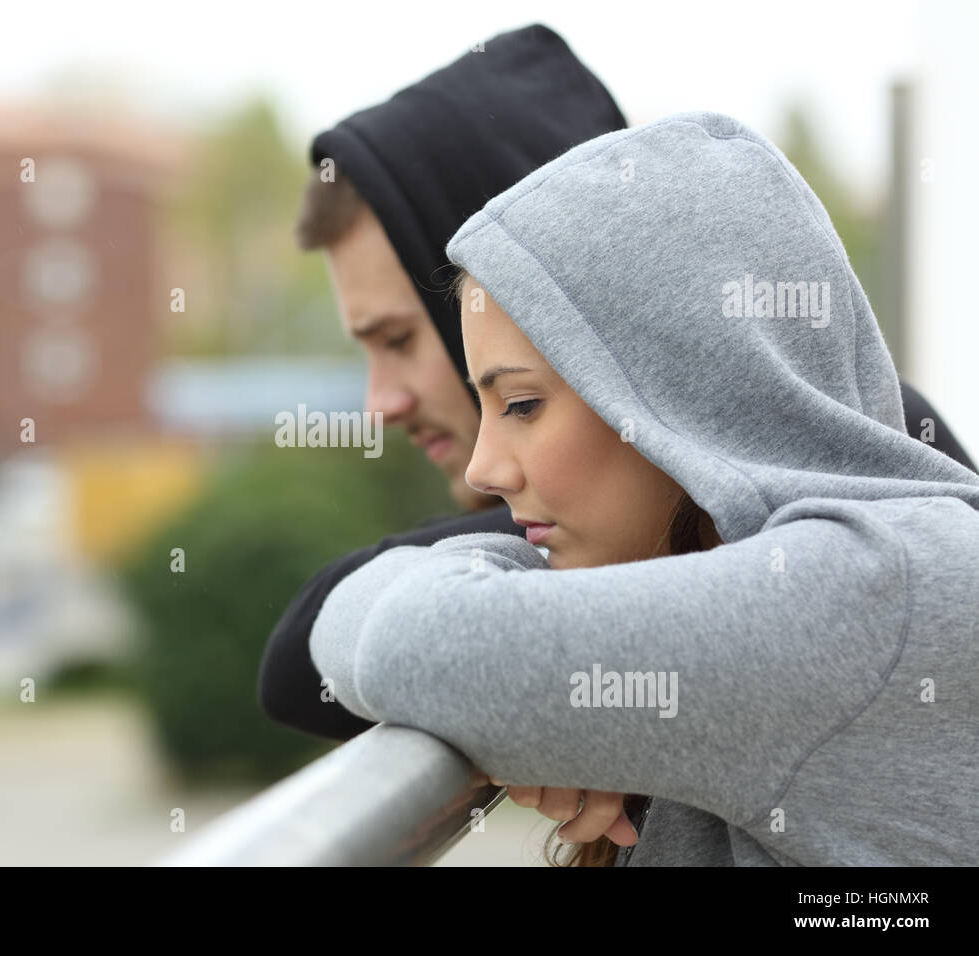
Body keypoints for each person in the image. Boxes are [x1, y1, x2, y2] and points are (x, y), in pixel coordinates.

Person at [259, 25, 977, 744]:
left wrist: (515, 663)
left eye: (399, 340)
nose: (379, 403)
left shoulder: (861, 542)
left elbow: (380, 646)